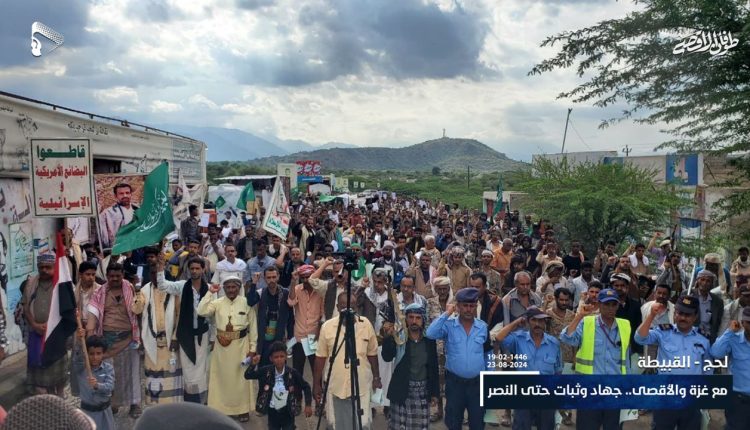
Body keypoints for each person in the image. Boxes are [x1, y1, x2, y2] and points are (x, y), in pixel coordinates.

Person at [634, 295, 710, 430]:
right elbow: (640, 338)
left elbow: (707, 368)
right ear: (675, 314)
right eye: (680, 313)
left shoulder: (703, 338)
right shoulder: (663, 332)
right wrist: (651, 315)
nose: (683, 318)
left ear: (695, 317)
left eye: (688, 315)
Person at [560, 288, 632, 430]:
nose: (610, 308)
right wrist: (579, 316)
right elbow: (566, 337)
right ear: (599, 304)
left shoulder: (625, 325)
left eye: (614, 304)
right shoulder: (587, 322)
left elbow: (626, 359)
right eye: (606, 304)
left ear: (618, 306)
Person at [314, 291, 381, 430]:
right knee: (336, 425)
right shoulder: (327, 327)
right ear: (337, 307)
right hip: (336, 386)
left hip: (361, 385)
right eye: (343, 306)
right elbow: (320, 358)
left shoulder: (366, 324)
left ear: (356, 307)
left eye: (352, 306)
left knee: (362, 424)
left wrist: (376, 377)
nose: (348, 309)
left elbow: (372, 354)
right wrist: (316, 384)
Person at [426, 287, 488, 430]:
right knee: (453, 422)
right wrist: (447, 313)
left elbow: (487, 353)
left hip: (477, 384)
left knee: (477, 423)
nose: (468, 309)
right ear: (458, 306)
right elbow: (430, 333)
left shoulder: (483, 327)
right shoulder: (449, 325)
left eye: (472, 306)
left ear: (476, 306)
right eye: (465, 305)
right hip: (455, 384)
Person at [198, 276, 258, 422]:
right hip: (221, 349)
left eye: (234, 287)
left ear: (239, 288)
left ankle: (242, 410)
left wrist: (252, 348)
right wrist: (210, 292)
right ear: (224, 288)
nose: (231, 290)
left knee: (241, 380)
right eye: (228, 287)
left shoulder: (246, 303)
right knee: (221, 379)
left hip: (241, 347)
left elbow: (253, 326)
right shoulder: (217, 303)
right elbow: (201, 311)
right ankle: (221, 409)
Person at [86, 263, 142, 417]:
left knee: (132, 373)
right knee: (111, 373)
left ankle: (134, 404)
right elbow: (93, 313)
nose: (115, 279)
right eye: (111, 276)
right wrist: (90, 336)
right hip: (108, 341)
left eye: (118, 276)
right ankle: (114, 404)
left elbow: (138, 310)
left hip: (128, 338)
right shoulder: (99, 292)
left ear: (122, 275)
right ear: (107, 276)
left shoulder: (130, 288)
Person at [495, 306, 562, 430]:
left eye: (541, 321)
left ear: (545, 322)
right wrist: (516, 322)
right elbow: (499, 338)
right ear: (527, 321)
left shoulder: (553, 343)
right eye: (534, 320)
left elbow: (558, 371)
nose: (537, 324)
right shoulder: (518, 339)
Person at [156, 256, 211, 404]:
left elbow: (213, 315)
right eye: (192, 268)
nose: (194, 271)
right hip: (186, 334)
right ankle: (191, 401)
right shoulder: (182, 286)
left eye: (197, 268)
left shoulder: (210, 289)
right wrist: (160, 268)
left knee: (203, 368)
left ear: (203, 269)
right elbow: (162, 286)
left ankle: (203, 400)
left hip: (203, 334)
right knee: (188, 369)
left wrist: (213, 338)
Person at [132, 248, 182, 405]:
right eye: (152, 273)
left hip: (170, 341)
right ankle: (155, 408)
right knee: (153, 375)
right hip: (151, 339)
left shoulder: (172, 289)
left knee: (171, 377)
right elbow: (137, 310)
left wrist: (175, 337)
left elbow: (179, 315)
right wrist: (137, 291)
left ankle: (172, 408)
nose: (155, 276)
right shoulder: (144, 290)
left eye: (157, 273)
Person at [381, 303, 439, 430]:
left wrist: (434, 393)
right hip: (401, 390)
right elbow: (387, 357)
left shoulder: (429, 340)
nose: (414, 321)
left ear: (423, 320)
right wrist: (388, 337)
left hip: (422, 392)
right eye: (411, 317)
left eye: (418, 318)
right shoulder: (399, 337)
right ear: (406, 319)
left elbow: (433, 367)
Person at [21, 254, 70, 396]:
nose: (44, 270)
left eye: (48, 267)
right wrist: (34, 324)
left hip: (56, 336)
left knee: (58, 379)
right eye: (41, 267)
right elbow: (25, 308)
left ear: (54, 267)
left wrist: (52, 325)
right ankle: (46, 403)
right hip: (37, 335)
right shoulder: (31, 284)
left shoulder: (62, 284)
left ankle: (59, 402)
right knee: (40, 378)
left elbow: (69, 311)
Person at [244, 341, 313, 430]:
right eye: (276, 357)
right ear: (271, 358)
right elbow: (248, 375)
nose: (279, 359)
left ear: (286, 357)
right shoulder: (266, 371)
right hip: (273, 411)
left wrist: (308, 404)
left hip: (288, 411)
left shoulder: (292, 372)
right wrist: (253, 364)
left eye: (282, 356)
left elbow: (306, 386)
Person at [710, 307, 750, 430]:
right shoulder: (734, 339)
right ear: (742, 323)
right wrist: (729, 331)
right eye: (749, 322)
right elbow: (716, 353)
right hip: (739, 401)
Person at [246, 266, 294, 367]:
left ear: (278, 277)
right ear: (264, 278)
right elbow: (250, 302)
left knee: (279, 367)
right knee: (263, 366)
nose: (271, 280)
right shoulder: (261, 292)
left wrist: (290, 337)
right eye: (268, 277)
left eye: (274, 277)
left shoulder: (285, 293)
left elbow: (291, 318)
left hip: (280, 336)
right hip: (264, 336)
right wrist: (254, 283)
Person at [72, 334, 116, 430]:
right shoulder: (81, 368)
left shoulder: (108, 368)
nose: (95, 357)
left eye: (98, 353)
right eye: (91, 354)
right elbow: (77, 358)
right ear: (86, 353)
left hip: (105, 414)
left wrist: (97, 385)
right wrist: (79, 341)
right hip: (88, 414)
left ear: (103, 353)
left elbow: (110, 386)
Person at [286, 264, 323, 377]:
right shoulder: (297, 289)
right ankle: (297, 390)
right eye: (303, 278)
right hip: (299, 337)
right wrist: (293, 281)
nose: (306, 280)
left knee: (317, 371)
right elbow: (291, 302)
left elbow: (322, 316)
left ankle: (317, 389)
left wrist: (318, 334)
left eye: (308, 277)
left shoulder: (320, 291)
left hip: (314, 337)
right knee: (297, 371)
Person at [99, 183, 139, 249]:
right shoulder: (108, 213)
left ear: (131, 194)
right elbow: (104, 237)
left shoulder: (138, 210)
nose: (125, 195)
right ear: (115, 196)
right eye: (121, 193)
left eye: (127, 193)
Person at [693, 269, 724, 343]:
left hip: (709, 338)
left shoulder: (717, 301)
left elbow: (718, 323)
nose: (704, 283)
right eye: (702, 279)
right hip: (691, 335)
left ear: (712, 284)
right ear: (697, 280)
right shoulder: (688, 295)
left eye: (708, 281)